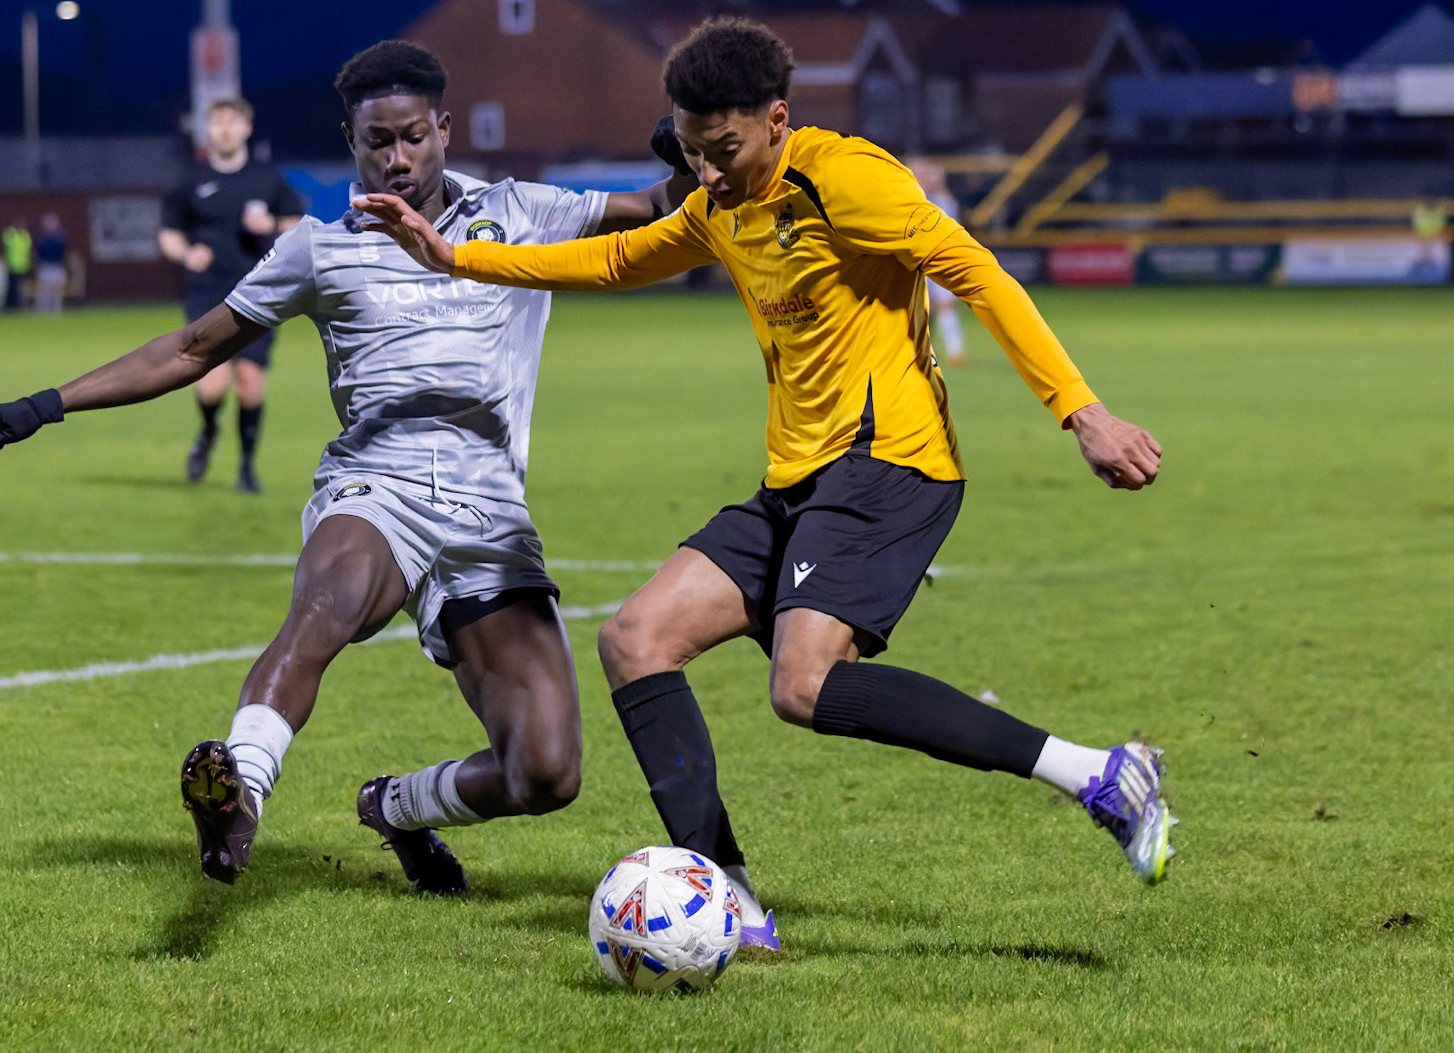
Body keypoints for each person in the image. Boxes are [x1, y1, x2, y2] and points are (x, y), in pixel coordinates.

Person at [353, 16, 1175, 949]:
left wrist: (1083, 413)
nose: (705, 170)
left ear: (777, 120)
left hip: (891, 463)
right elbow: (619, 258)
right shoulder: (719, 201)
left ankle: (1102, 774)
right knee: (635, 639)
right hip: (799, 478)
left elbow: (977, 272)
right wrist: (456, 256)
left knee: (804, 684)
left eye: (725, 148)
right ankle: (733, 903)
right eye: (693, 151)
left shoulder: (846, 179)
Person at [0, 40, 697, 896]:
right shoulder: (320, 247)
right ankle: (239, 789)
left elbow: (661, 207)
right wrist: (48, 403)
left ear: (445, 130)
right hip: (373, 487)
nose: (398, 157)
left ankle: (397, 806)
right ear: (349, 142)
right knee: (328, 600)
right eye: (377, 140)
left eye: (414, 136)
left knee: (546, 772)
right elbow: (194, 345)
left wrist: (686, 146)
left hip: (489, 511)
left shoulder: (521, 211)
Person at [159, 98, 304, 494]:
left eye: (232, 122)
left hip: (259, 289)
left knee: (251, 381)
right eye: (217, 122)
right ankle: (207, 432)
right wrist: (187, 253)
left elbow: (296, 223)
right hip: (207, 292)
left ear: (246, 127)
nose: (224, 129)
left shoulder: (267, 179)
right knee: (210, 385)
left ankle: (246, 468)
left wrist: (271, 223)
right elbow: (169, 233)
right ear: (207, 130)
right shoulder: (191, 180)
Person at [908, 160, 965, 366]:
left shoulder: (943, 201)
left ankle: (955, 352)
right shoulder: (908, 198)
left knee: (945, 306)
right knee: (918, 309)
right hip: (914, 262)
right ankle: (921, 350)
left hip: (939, 260)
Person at [33, 213, 67, 315]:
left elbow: (63, 251)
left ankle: (56, 310)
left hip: (57, 265)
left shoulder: (60, 237)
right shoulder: (41, 237)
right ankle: (43, 311)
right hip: (45, 266)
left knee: (56, 290)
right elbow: (37, 252)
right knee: (44, 290)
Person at [2, 218, 32, 311]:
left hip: (21, 266)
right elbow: (6, 240)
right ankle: (10, 305)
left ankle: (17, 304)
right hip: (12, 266)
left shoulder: (25, 237)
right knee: (11, 287)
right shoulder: (11, 235)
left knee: (18, 288)